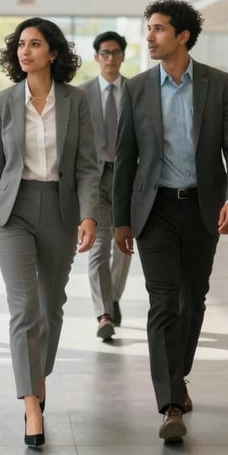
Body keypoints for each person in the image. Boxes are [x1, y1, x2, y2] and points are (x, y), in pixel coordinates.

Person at [113, 0, 228, 443]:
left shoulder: (217, 83)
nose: (149, 37)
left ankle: (178, 374)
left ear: (183, 36)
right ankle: (170, 401)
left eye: (158, 29)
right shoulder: (137, 88)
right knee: (163, 301)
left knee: (193, 300)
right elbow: (125, 159)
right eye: (148, 28)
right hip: (155, 211)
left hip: (203, 208)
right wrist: (120, 220)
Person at [0, 17, 98, 449]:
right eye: (21, 45)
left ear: (53, 53)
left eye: (35, 44)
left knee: (51, 307)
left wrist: (89, 216)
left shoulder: (76, 101)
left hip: (61, 211)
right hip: (12, 212)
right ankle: (31, 404)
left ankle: (37, 375)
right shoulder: (4, 101)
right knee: (23, 308)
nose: (24, 52)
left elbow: (87, 165)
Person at [80, 31, 132, 340]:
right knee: (98, 247)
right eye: (105, 53)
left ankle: (112, 297)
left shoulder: (135, 91)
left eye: (115, 52)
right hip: (93, 179)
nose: (110, 58)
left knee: (123, 246)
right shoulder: (82, 94)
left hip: (127, 179)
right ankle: (104, 314)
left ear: (122, 56)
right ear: (97, 57)